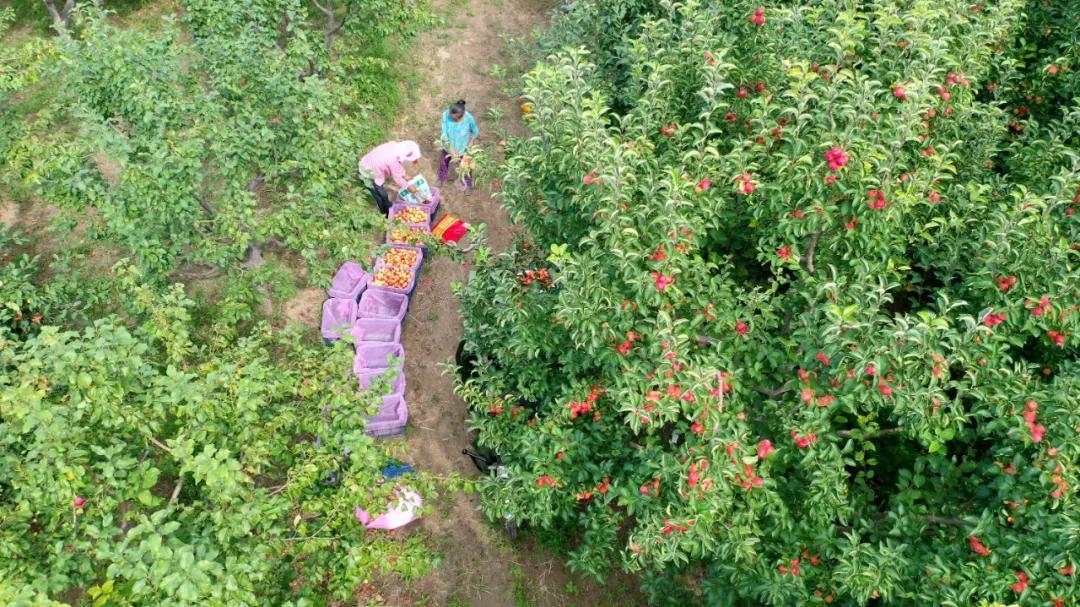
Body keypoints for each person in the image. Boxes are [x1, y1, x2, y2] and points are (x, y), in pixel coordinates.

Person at [359, 140, 421, 214]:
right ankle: (385, 211)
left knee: (381, 192)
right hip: (368, 172)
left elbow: (397, 167)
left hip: (366, 162)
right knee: (380, 194)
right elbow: (397, 178)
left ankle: (386, 205)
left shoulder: (393, 145)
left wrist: (403, 174)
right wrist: (408, 186)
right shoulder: (393, 161)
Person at [438, 100, 479, 194]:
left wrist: (467, 152)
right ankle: (441, 178)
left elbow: (475, 133)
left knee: (466, 167)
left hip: (463, 148)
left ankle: (468, 184)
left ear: (463, 115)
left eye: (456, 119)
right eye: (452, 118)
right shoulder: (446, 115)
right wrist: (451, 150)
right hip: (448, 147)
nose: (454, 120)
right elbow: (444, 135)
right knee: (443, 163)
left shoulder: (469, 118)